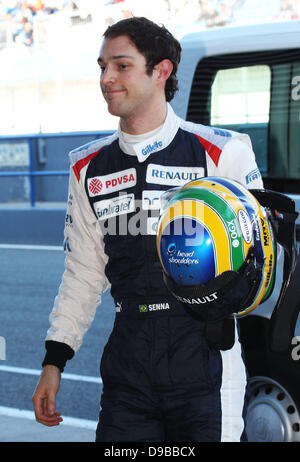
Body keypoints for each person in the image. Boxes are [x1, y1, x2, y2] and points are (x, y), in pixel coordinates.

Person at [32, 16, 264, 442]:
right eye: (102, 66)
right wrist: (54, 360)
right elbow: (83, 273)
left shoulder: (222, 152)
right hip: (129, 362)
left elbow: (263, 266)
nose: (106, 78)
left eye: (121, 65)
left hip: (205, 357)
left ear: (161, 71)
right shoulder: (88, 167)